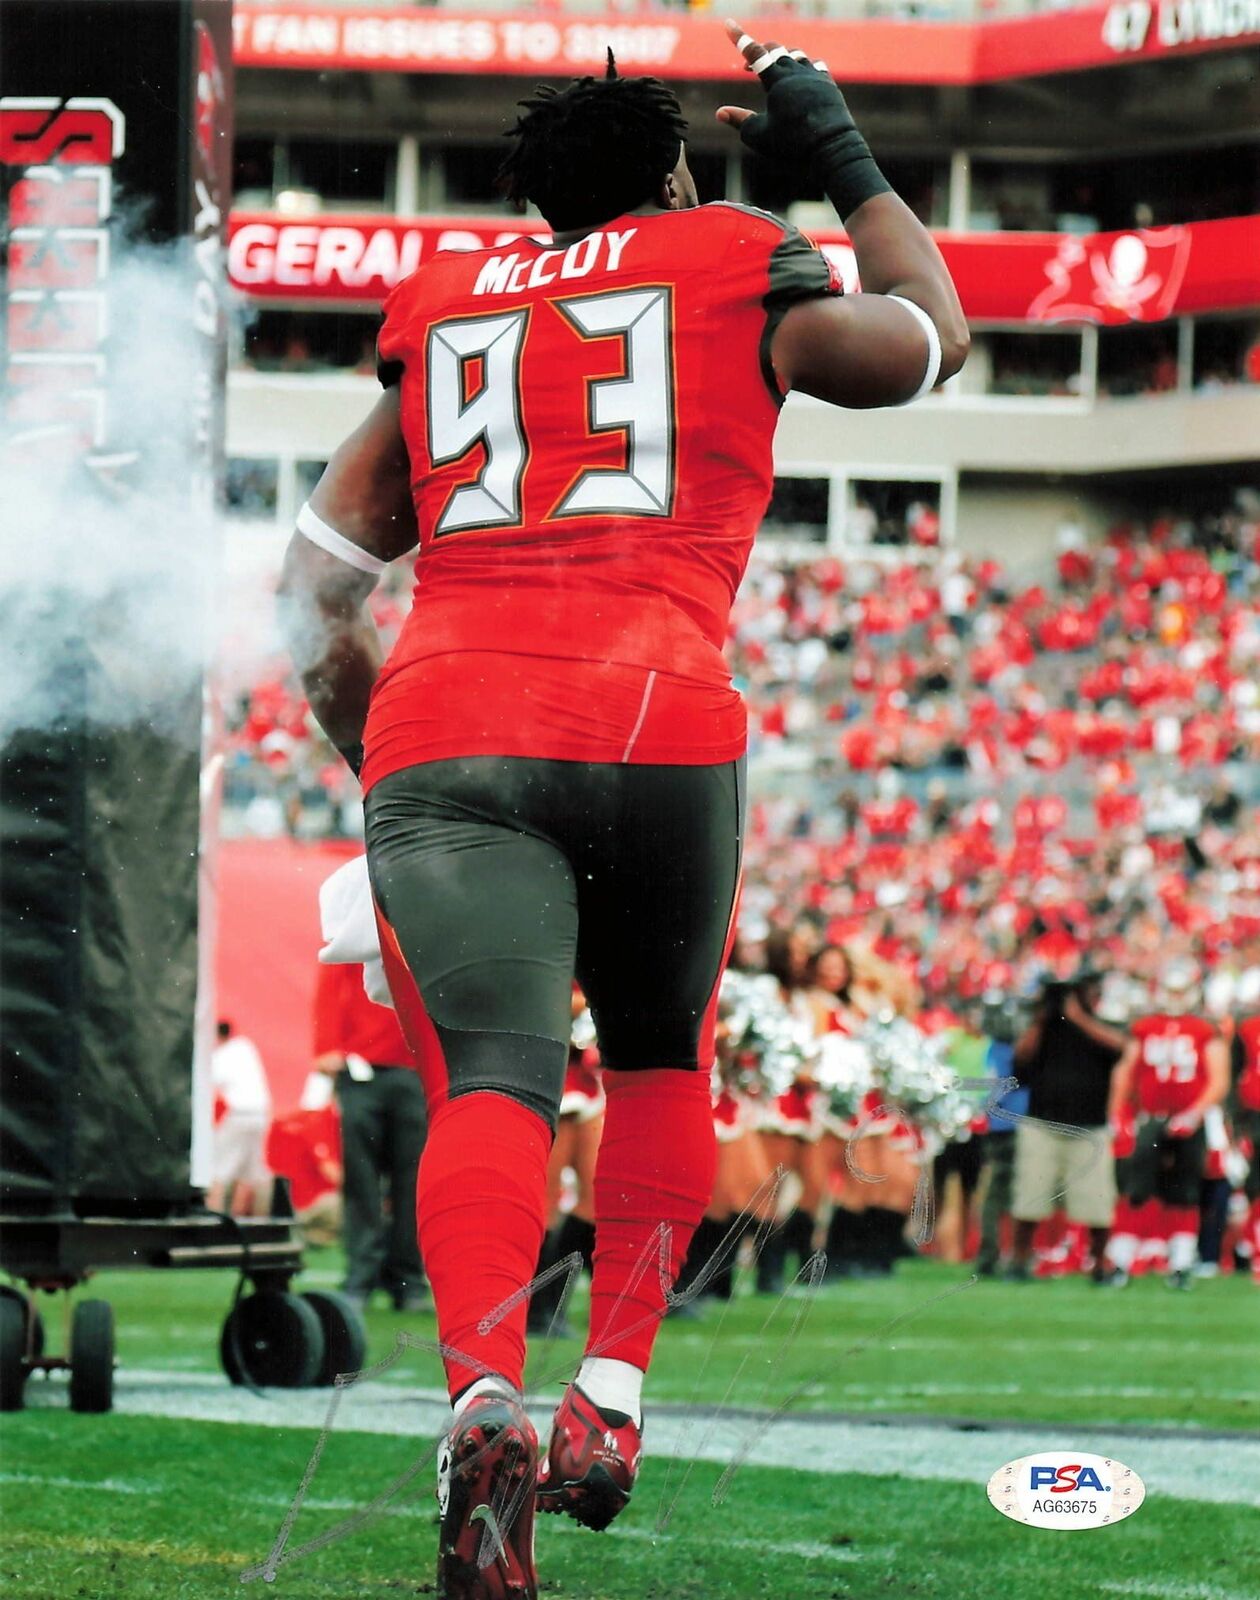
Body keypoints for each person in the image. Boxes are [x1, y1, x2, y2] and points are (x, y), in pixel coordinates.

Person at [277, 26, 967, 1599]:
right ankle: (614, 1400)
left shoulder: (450, 301)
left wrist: (383, 772)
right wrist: (837, 156)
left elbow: (315, 591)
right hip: (661, 713)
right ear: (671, 174)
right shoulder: (732, 254)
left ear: (536, 210)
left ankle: (480, 1399)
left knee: (498, 1086)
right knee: (662, 1059)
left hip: (451, 720)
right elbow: (932, 338)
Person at [313, 960, 429, 1311]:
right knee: (361, 1179)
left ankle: (407, 1281)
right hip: (359, 1068)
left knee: (413, 1182)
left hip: (416, 1069)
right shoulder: (364, 912)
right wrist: (325, 1045)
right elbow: (333, 974)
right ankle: (360, 1277)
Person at [1107, 965, 1230, 1288]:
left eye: (1180, 991)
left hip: (1189, 1118)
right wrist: (1118, 1112)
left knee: (1185, 1191)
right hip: (1151, 1116)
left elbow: (1219, 1079)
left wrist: (1194, 1113)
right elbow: (1125, 1072)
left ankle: (1180, 1262)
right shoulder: (1145, 1027)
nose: (1175, 998)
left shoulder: (1205, 1029)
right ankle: (1120, 1261)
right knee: (1136, 1189)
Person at [1008, 971, 1126, 1283]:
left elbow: (1121, 1047)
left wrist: (1078, 1018)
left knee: (1097, 1202)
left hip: (1089, 1128)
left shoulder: (1103, 1025)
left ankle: (1100, 1264)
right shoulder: (1043, 1028)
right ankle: (1019, 1261)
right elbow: (1020, 1059)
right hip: (1043, 1123)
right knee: (1030, 1197)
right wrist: (1041, 1019)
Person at [207, 1019, 272, 1216]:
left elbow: (209, 1084)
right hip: (260, 1116)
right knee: (251, 1174)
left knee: (217, 1172)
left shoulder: (220, 1056)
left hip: (238, 1116)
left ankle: (212, 1222)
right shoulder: (245, 1046)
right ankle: (256, 1223)